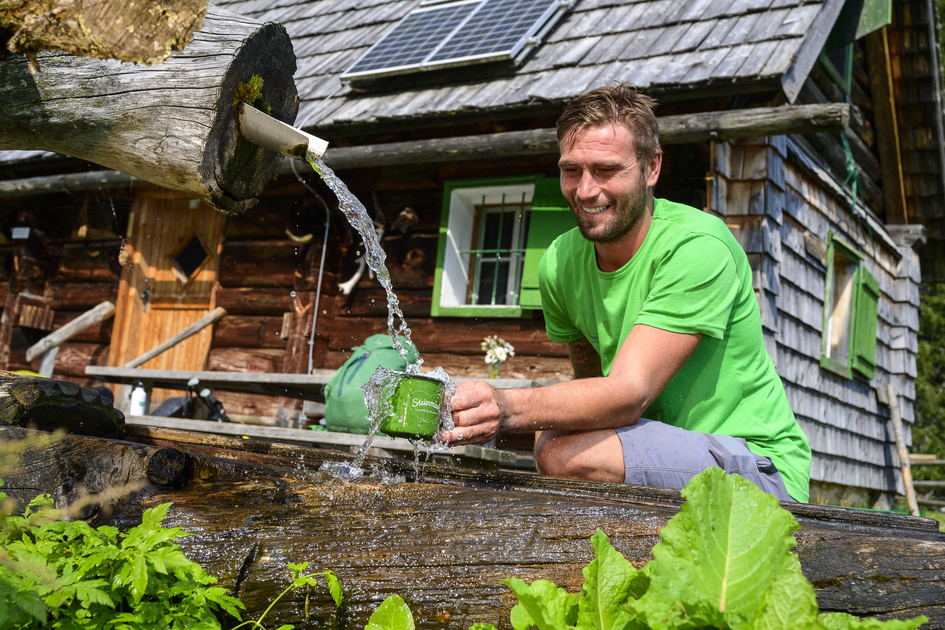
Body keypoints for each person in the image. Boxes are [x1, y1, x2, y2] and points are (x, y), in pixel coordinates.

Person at [439, 82, 811, 503]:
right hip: (668, 456)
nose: (585, 190)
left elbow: (629, 392)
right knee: (554, 432)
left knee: (562, 450)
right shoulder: (560, 263)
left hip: (755, 465)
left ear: (651, 168)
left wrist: (503, 407)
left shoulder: (697, 246)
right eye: (571, 170)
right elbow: (594, 389)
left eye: (606, 170)